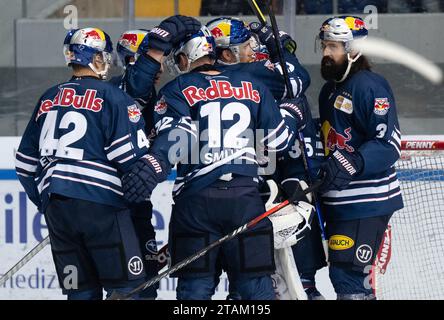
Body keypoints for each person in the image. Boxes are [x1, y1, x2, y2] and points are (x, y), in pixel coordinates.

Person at [122, 24, 313, 300]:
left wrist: (155, 162)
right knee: (254, 289)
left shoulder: (177, 88)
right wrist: (292, 115)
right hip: (245, 200)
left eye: (180, 58)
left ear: (188, 56)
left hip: (195, 203)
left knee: (194, 290)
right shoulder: (253, 86)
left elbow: (177, 138)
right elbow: (280, 141)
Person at [15, 27, 167, 299]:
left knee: (80, 292)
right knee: (129, 290)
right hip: (103, 210)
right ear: (94, 58)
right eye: (102, 56)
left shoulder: (48, 97)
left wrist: (46, 202)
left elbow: (25, 164)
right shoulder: (113, 97)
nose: (105, 61)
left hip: (58, 210)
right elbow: (131, 161)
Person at [316, 16, 404, 299]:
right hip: (340, 204)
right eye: (325, 46)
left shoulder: (370, 86)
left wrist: (352, 162)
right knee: (343, 277)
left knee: (350, 280)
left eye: (334, 47)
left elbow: (389, 143)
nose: (327, 53)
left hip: (366, 203)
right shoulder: (328, 91)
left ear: (354, 49)